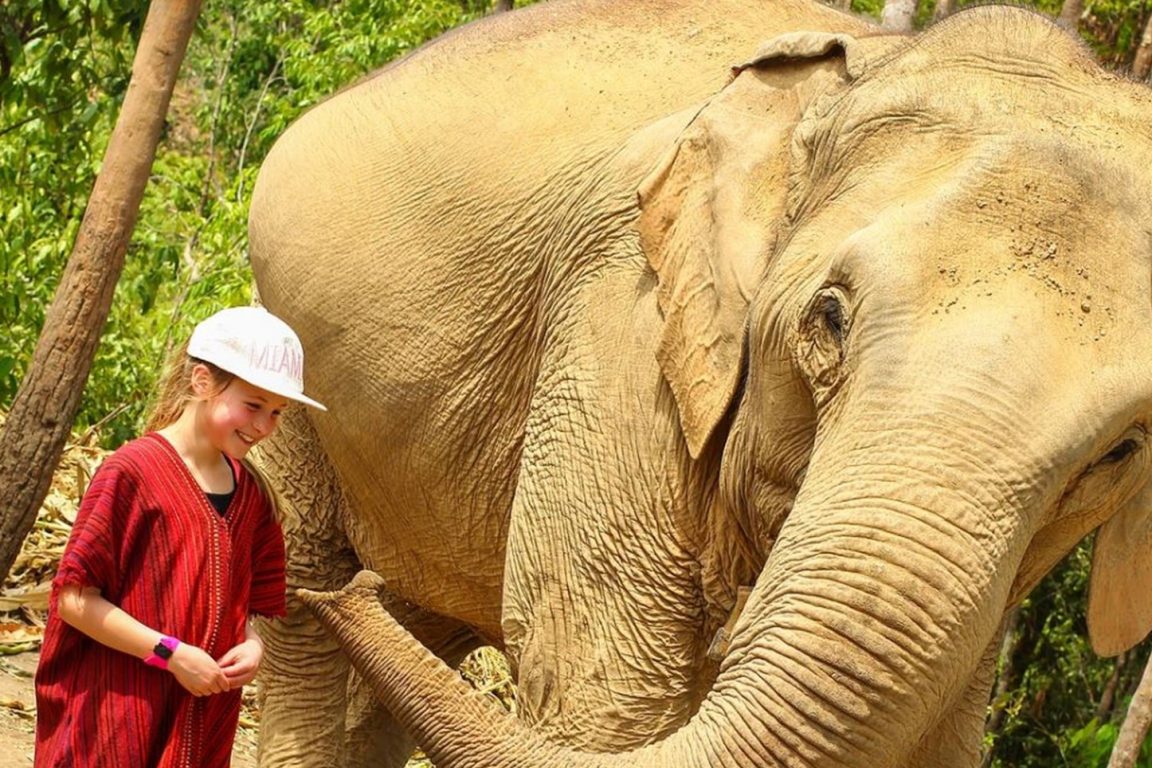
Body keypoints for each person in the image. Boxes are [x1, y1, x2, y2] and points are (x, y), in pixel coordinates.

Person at [34, 306, 327, 768]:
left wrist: (253, 647)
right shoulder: (130, 473)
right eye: (253, 405)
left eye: (276, 412)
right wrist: (168, 654)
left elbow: (244, 608)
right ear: (202, 382)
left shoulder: (254, 497)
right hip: (114, 717)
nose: (265, 426)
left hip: (201, 721)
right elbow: (73, 601)